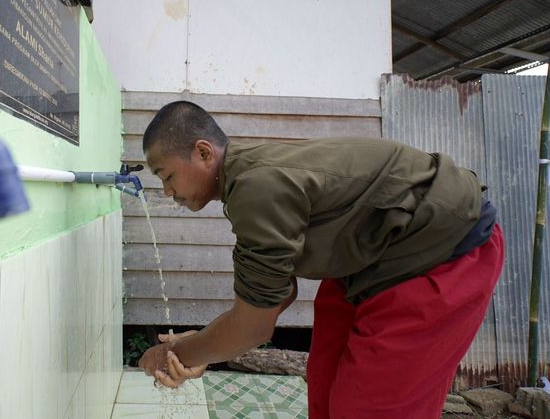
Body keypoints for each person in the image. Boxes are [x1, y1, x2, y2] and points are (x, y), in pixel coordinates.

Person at [137, 101, 504, 419]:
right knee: (327, 385)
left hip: (439, 252)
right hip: (369, 263)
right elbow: (274, 296)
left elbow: (253, 328)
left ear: (203, 153)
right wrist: (205, 343)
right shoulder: (245, 178)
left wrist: (175, 352)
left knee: (368, 407)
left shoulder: (255, 188)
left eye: (166, 175)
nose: (167, 191)